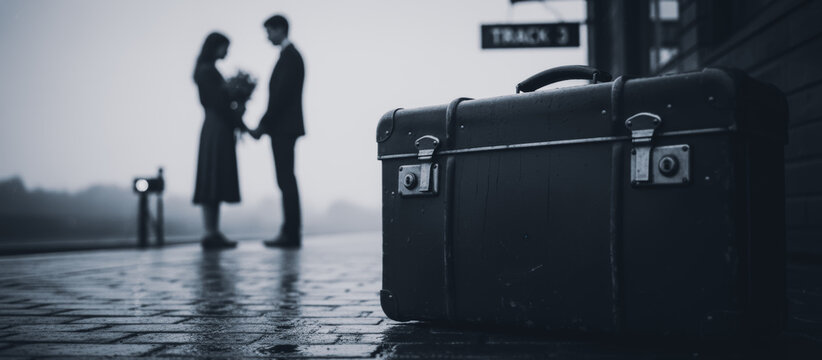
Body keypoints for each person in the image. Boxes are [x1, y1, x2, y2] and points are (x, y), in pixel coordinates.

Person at [250, 14, 305, 248]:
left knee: (286, 180)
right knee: (286, 179)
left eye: (269, 31)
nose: (267, 37)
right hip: (285, 127)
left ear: (280, 29)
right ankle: (290, 231)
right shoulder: (290, 56)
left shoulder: (290, 57)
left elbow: (280, 96)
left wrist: (263, 125)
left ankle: (290, 233)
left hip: (283, 128)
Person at [192, 32, 248, 249]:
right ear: (216, 47)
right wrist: (238, 114)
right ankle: (210, 232)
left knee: (212, 177)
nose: (227, 52)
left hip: (216, 127)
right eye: (226, 47)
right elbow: (219, 104)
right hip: (216, 128)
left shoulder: (206, 71)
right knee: (212, 178)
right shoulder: (207, 72)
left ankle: (212, 231)